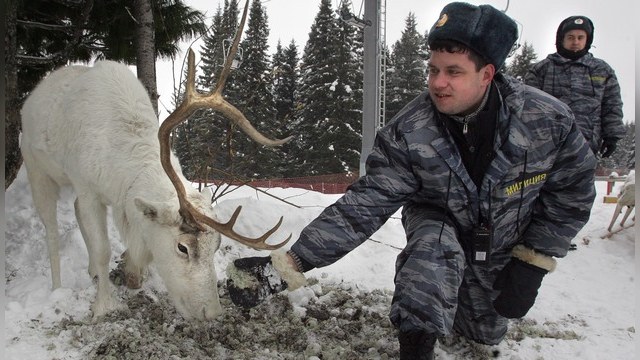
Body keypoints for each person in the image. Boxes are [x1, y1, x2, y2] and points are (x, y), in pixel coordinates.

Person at [226, 3, 596, 359]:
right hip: (439, 230)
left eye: (453, 72)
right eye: (433, 70)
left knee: (481, 333)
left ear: (487, 74)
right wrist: (287, 266)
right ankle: (415, 346)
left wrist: (532, 261)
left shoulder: (547, 120)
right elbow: (364, 206)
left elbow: (572, 193)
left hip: (502, 245)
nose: (438, 83)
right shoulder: (409, 131)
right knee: (431, 249)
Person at [525, 15, 625, 159]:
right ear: (561, 39)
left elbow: (612, 105)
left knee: (584, 181)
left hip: (586, 147)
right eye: (570, 37)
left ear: (587, 39)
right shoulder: (541, 70)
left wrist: (612, 136)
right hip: (547, 148)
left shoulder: (602, 70)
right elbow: (527, 106)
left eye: (580, 37)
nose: (575, 42)